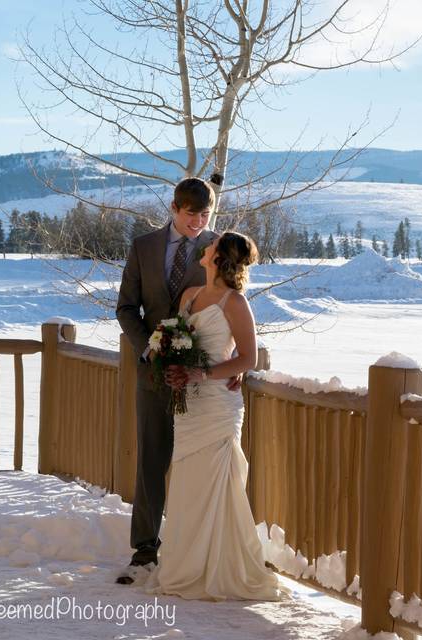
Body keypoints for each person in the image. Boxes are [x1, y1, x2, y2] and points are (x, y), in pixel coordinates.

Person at [143, 231, 281, 601]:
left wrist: (201, 373)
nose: (205, 246)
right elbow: (174, 338)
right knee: (187, 478)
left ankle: (220, 567)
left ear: (219, 258)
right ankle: (185, 563)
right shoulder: (189, 296)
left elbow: (247, 358)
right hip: (188, 402)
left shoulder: (235, 303)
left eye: (212, 245)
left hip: (217, 402)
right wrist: (169, 362)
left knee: (217, 481)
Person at [115, 177, 227, 584]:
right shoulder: (143, 247)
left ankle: (188, 548)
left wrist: (233, 365)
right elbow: (126, 308)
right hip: (152, 374)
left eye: (205, 213)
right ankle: (144, 549)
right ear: (174, 209)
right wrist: (149, 348)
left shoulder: (220, 249)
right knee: (151, 460)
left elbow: (236, 306)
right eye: (191, 212)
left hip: (202, 378)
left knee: (194, 462)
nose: (199, 221)